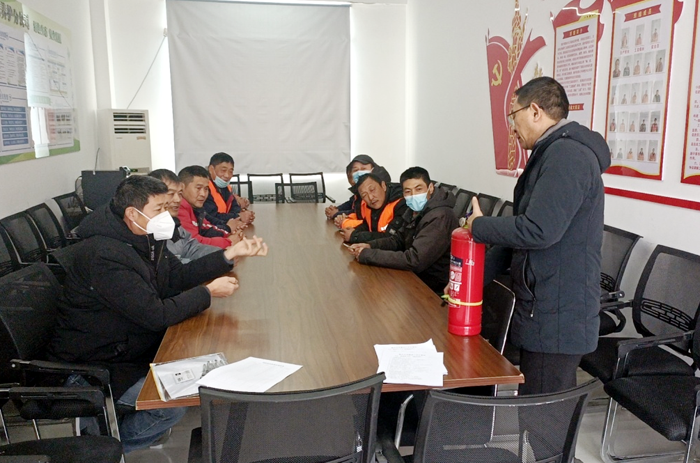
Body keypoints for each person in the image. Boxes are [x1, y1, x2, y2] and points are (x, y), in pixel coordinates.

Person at [47, 175, 268, 453]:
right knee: (170, 406)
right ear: (132, 213)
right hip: (95, 363)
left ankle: (108, 442)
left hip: (129, 346)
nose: (167, 215)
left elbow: (177, 277)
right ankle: (101, 450)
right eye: (159, 208)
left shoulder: (145, 237)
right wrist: (207, 292)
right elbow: (155, 315)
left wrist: (228, 255)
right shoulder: (104, 255)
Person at [467, 77, 609, 395]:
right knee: (537, 404)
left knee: (543, 412)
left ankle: (545, 434)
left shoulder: (567, 156)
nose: (512, 128)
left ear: (534, 111)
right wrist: (474, 279)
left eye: (513, 115)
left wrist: (479, 226)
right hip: (543, 305)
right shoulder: (551, 153)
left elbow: (538, 230)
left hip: (558, 313)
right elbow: (521, 234)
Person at [348, 167, 458, 294]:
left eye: (418, 189)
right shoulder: (414, 209)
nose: (413, 195)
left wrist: (368, 255)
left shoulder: (441, 216)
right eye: (408, 191)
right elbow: (398, 240)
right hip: (412, 279)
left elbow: (414, 260)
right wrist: (370, 246)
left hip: (432, 289)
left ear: (431, 188)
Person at [149, 169, 219, 263]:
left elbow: (192, 248)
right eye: (171, 194)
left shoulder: (175, 225)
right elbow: (172, 267)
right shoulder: (145, 229)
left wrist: (224, 255)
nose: (178, 199)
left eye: (180, 194)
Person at [178, 165, 242, 249]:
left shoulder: (196, 208)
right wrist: (228, 242)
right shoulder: (179, 208)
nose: (203, 194)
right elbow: (194, 243)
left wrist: (229, 233)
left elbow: (208, 228)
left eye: (206, 189)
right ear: (181, 187)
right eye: (198, 188)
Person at [340, 173, 408, 244]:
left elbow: (390, 237)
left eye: (372, 190)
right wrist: (352, 231)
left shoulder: (402, 203)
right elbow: (367, 226)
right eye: (364, 195)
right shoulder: (370, 205)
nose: (370, 197)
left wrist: (355, 236)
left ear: (383, 186)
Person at [336, 155, 392, 230]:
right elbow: (360, 215)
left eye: (363, 169)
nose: (370, 197)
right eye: (356, 170)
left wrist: (344, 222)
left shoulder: (384, 197)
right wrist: (344, 216)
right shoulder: (359, 191)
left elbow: (373, 226)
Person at [204, 152, 254, 228]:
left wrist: (243, 214)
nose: (227, 175)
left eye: (230, 171)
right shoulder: (204, 188)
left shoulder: (226, 187)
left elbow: (235, 208)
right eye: (223, 170)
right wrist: (239, 216)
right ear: (211, 169)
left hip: (225, 227)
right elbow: (211, 216)